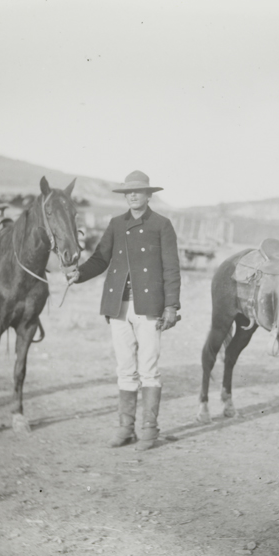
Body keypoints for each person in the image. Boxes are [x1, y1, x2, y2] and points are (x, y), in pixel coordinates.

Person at [67, 171, 181, 451]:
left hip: (149, 308)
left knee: (149, 370)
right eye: (129, 192)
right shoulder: (116, 224)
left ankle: (149, 430)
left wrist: (171, 306)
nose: (133, 196)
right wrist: (78, 275)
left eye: (139, 192)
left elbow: (171, 269)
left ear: (148, 195)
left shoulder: (162, 225)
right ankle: (125, 428)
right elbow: (100, 259)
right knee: (125, 369)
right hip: (118, 307)